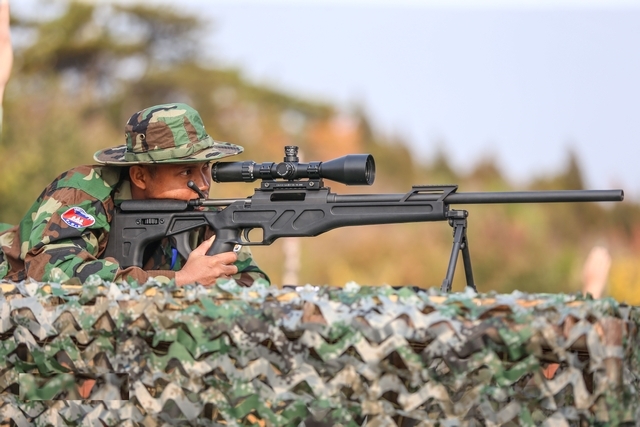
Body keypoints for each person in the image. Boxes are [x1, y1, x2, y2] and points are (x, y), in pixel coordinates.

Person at [0, 102, 269, 286]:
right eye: (186, 172)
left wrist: (214, 283)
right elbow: (51, 272)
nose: (203, 184)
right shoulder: (83, 190)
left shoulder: (196, 212)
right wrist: (178, 280)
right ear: (139, 176)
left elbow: (253, 282)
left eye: (205, 169)